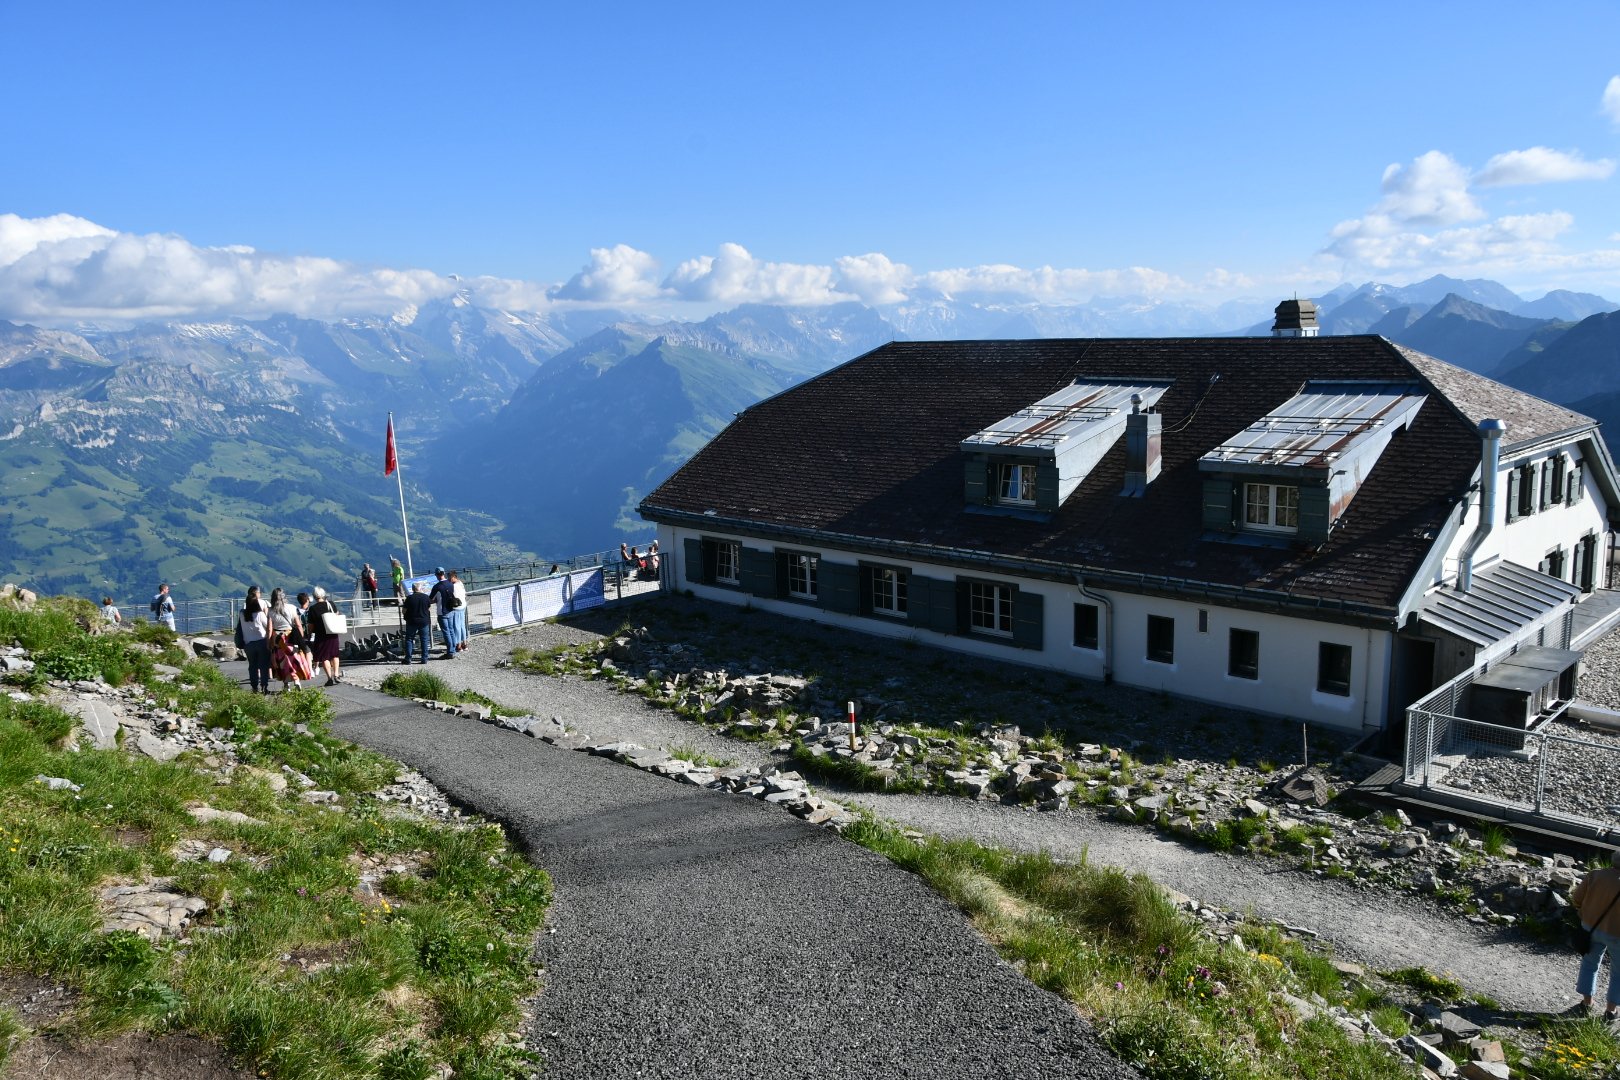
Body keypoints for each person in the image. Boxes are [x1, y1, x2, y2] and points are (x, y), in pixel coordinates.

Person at [1573, 850, 1620, 1020]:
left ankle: (1587, 1003)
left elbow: (1576, 898)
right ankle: (1611, 1011)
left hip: (1591, 928)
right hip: (1617, 935)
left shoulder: (1595, 875)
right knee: (1618, 973)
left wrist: (1583, 913)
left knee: (1590, 964)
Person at [267, 587, 309, 691]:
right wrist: (301, 638)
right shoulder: (292, 607)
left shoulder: (270, 610)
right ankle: (296, 680)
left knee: (282, 661)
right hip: (291, 636)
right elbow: (298, 625)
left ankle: (286, 684)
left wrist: (269, 642)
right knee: (294, 659)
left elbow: (269, 629)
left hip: (278, 638)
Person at [305, 586, 345, 686]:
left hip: (321, 635)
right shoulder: (330, 604)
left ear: (314, 596)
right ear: (323, 594)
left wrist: (309, 635)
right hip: (333, 633)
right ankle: (336, 674)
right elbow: (336, 615)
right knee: (335, 654)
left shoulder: (313, 609)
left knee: (324, 657)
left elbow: (311, 626)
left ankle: (329, 678)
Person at [239, 586, 271, 694]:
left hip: (248, 644)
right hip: (261, 641)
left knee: (252, 666)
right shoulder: (260, 614)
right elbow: (268, 626)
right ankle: (264, 686)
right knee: (263, 666)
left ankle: (254, 687)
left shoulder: (242, 614)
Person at [401, 582, 433, 664]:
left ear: (412, 589)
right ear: (421, 588)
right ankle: (424, 658)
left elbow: (404, 611)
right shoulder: (426, 597)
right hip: (424, 621)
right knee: (424, 639)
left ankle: (408, 658)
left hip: (411, 621)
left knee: (409, 639)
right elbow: (429, 607)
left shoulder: (409, 598)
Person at [429, 568, 455, 659]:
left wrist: (435, 601)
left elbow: (430, 599)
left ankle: (450, 652)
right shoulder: (450, 584)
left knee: (446, 632)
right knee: (451, 630)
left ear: (436, 575)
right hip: (450, 610)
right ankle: (453, 649)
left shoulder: (437, 587)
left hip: (442, 611)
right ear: (443, 573)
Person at [448, 569, 468, 652]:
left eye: (449, 578)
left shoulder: (454, 586)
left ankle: (458, 645)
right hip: (463, 605)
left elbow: (453, 597)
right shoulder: (460, 583)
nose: (449, 579)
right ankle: (465, 643)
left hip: (457, 608)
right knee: (462, 625)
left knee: (457, 626)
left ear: (453, 577)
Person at [295, 591, 314, 672]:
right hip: (311, 635)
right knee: (309, 652)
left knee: (305, 652)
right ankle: (310, 669)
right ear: (307, 600)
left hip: (300, 635)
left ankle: (307, 668)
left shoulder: (296, 612)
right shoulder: (311, 611)